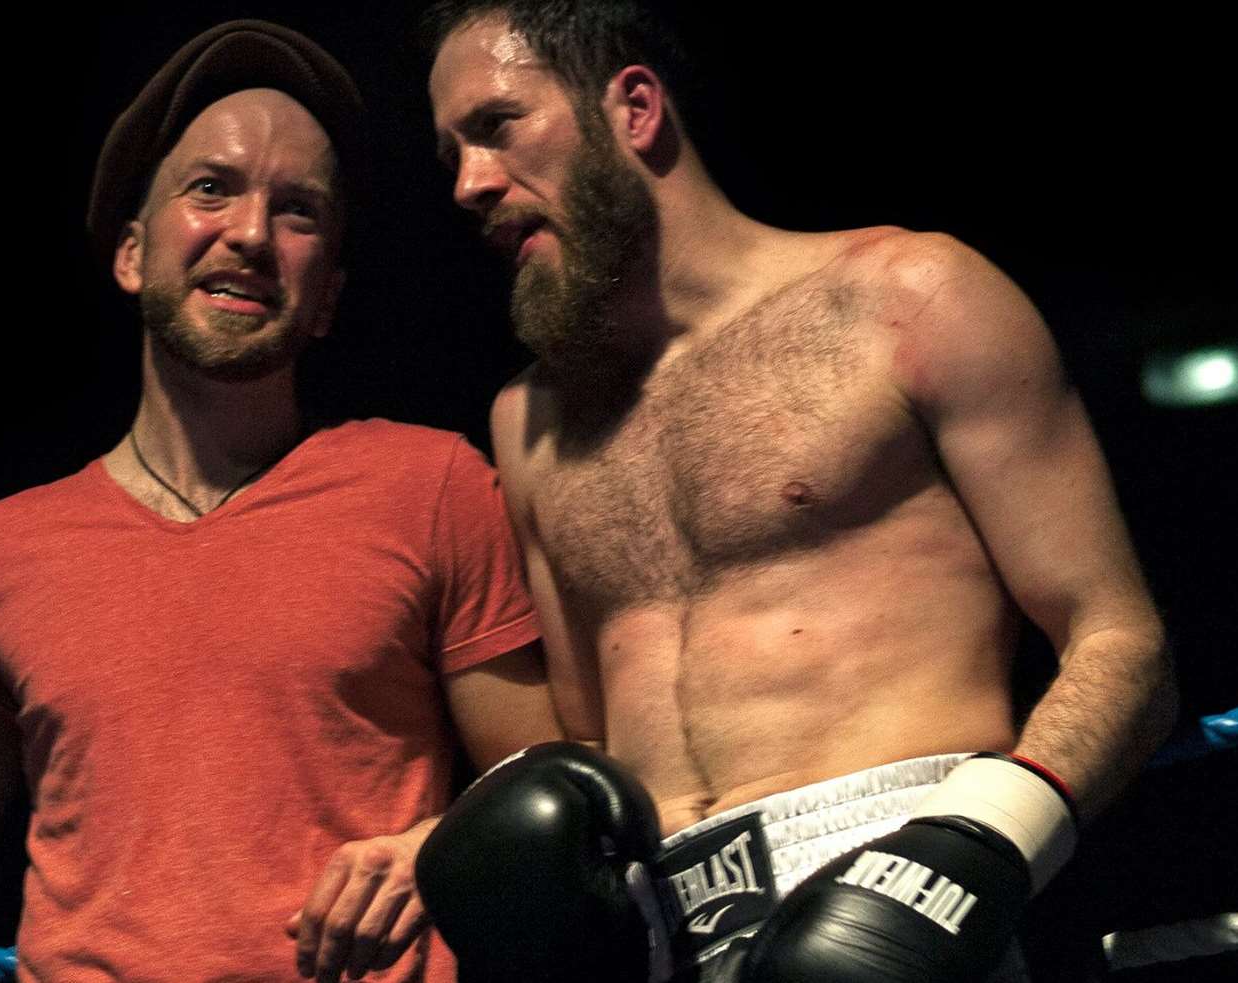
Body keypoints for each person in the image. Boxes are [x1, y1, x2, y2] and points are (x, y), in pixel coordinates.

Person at [0, 20, 559, 983]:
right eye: (211, 188)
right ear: (134, 254)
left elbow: (543, 785)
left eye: (299, 210)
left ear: (328, 298)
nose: (250, 234)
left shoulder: (430, 486)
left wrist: (439, 850)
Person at [419, 1, 1177, 980]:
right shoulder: (529, 425)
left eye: (495, 126)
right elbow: (592, 739)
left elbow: (1122, 644)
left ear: (635, 108)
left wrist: (977, 849)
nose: (472, 184)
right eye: (450, 157)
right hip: (660, 942)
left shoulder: (911, 295)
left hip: (904, 895)